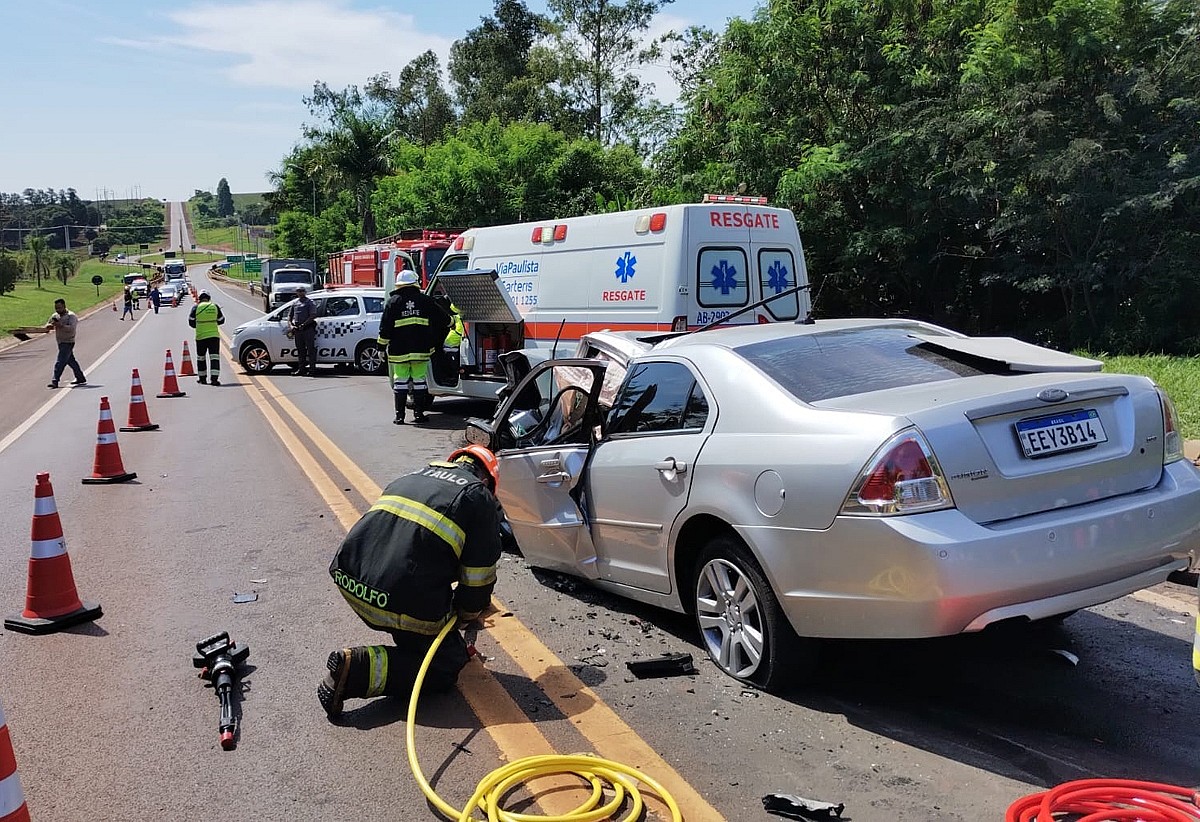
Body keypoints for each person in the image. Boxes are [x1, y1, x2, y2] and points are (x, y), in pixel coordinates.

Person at [318, 446, 505, 719]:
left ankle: (408, 638)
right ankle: (357, 670)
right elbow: (478, 578)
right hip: (397, 599)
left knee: (418, 624)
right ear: (487, 480)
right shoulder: (478, 496)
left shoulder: (412, 477)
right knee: (446, 664)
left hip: (351, 579)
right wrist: (465, 614)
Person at [378, 266, 449, 424]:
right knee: (419, 381)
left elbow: (385, 327)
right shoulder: (425, 300)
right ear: (416, 283)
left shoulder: (393, 302)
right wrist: (452, 321)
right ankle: (418, 414)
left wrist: (381, 348)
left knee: (400, 382)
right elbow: (442, 318)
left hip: (399, 351)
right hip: (420, 350)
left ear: (399, 285)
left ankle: (399, 416)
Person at [44, 298, 87, 389]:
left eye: (59, 308)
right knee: (70, 361)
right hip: (60, 341)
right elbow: (48, 325)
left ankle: (55, 381)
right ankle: (80, 377)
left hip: (68, 341)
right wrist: (50, 326)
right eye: (56, 308)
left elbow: (71, 328)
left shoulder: (71, 316)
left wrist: (60, 325)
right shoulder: (55, 316)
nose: (57, 310)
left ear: (64, 306)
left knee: (60, 362)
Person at [188, 290, 226, 385]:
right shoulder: (214, 307)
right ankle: (214, 379)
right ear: (209, 298)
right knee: (214, 358)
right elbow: (221, 320)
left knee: (201, 358)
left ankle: (202, 379)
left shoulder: (196, 308)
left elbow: (191, 322)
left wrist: (200, 325)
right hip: (214, 336)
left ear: (199, 298)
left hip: (200, 337)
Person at [288, 287, 319, 376]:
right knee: (300, 350)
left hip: (308, 329)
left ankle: (312, 370)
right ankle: (301, 369)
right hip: (297, 330)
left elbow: (313, 315)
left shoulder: (310, 303)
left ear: (305, 292)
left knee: (310, 350)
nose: (300, 293)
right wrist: (291, 326)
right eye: (298, 291)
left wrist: (304, 324)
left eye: (302, 291)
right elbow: (290, 317)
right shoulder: (295, 303)